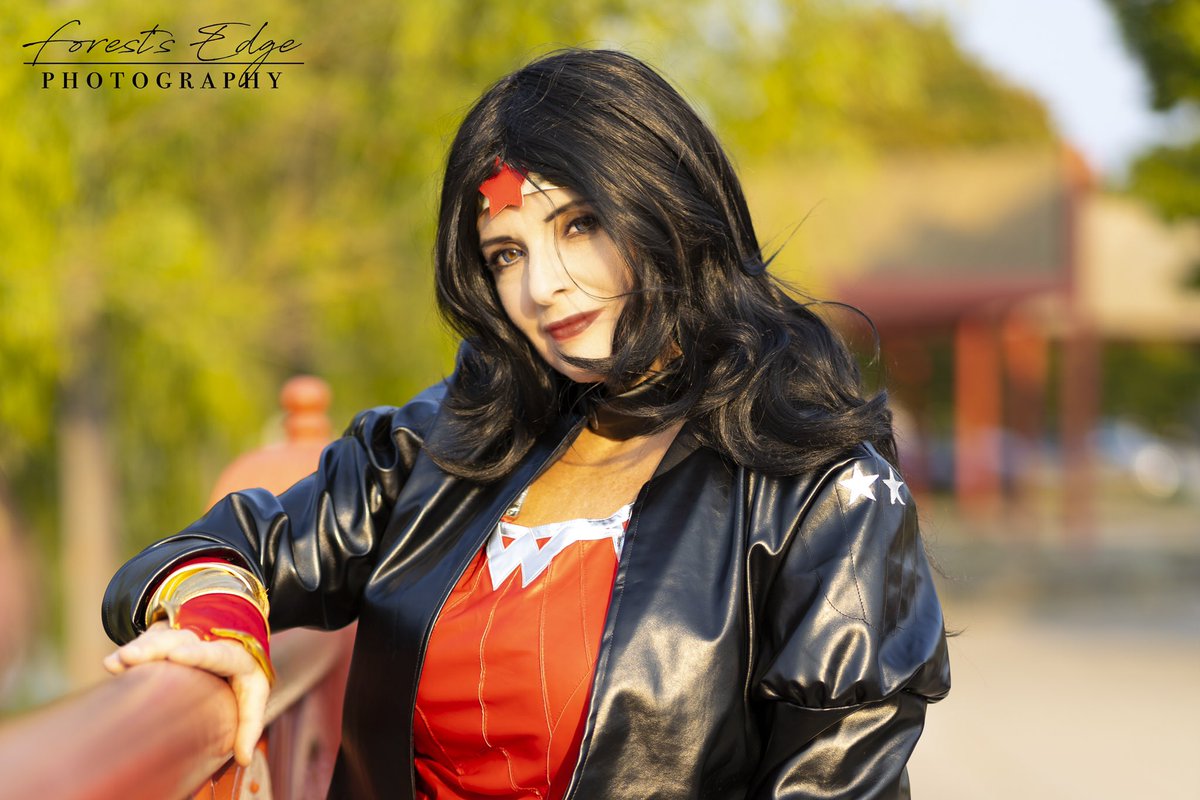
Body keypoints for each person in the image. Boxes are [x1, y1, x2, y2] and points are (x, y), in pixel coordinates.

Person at [102, 49, 950, 799]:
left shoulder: (824, 493)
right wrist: (221, 621)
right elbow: (219, 549)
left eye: (579, 225)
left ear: (666, 206)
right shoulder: (446, 442)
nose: (541, 287)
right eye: (507, 253)